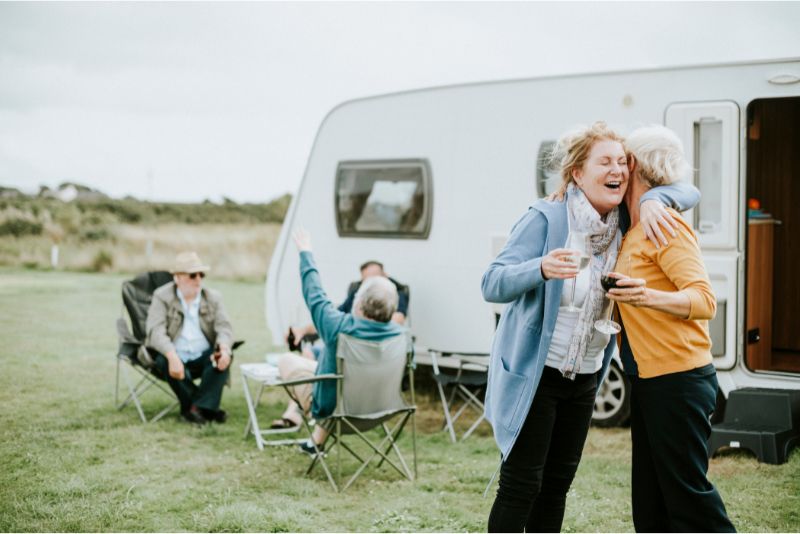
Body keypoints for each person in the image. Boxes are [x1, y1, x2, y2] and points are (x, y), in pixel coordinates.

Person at [481, 121, 700, 532]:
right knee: (521, 486)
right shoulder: (548, 218)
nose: (617, 170)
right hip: (538, 375)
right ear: (578, 173)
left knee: (556, 488)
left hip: (585, 378)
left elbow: (690, 191)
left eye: (622, 162)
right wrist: (540, 268)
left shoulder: (624, 220)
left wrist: (658, 198)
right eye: (605, 162)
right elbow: (491, 283)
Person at [607, 125, 735, 532]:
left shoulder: (665, 225)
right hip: (647, 379)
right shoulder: (634, 224)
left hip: (679, 379)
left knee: (688, 502)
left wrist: (646, 296)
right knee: (651, 505)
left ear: (633, 163)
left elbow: (704, 301)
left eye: (620, 160)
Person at [278, 228, 406, 454]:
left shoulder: (338, 326)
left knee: (287, 361)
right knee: (335, 373)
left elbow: (314, 294)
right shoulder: (401, 336)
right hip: (381, 410)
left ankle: (312, 437)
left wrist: (306, 252)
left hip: (336, 412)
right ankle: (315, 443)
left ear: (360, 303)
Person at [146, 251, 233, 425]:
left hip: (203, 356)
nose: (198, 279)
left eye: (201, 274)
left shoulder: (213, 297)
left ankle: (195, 409)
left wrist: (224, 349)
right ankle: (207, 408)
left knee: (221, 357)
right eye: (192, 275)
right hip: (174, 354)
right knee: (164, 360)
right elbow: (155, 331)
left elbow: (224, 327)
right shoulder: (162, 296)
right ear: (177, 277)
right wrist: (172, 356)